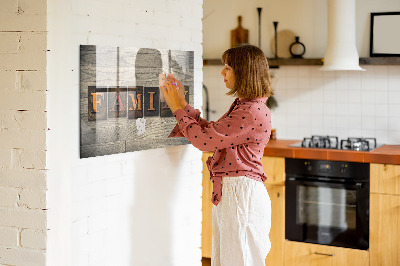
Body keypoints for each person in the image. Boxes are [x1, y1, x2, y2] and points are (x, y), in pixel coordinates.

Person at [160, 44, 273, 266]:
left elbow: (204, 141)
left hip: (241, 195)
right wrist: (182, 104)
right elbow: (213, 133)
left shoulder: (250, 111)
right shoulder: (246, 106)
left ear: (244, 71)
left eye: (228, 67)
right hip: (235, 193)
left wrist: (176, 108)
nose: (222, 72)